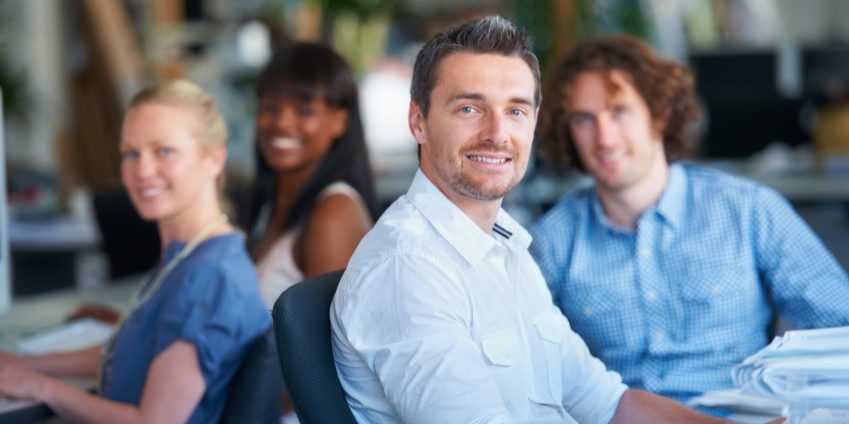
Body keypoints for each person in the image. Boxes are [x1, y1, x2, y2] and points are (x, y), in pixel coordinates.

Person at [330, 16, 740, 423]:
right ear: (418, 121)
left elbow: (607, 404)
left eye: (516, 111)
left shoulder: (505, 248)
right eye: (470, 108)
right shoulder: (410, 268)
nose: (497, 133)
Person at [530, 34, 849, 403]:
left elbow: (840, 326)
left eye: (619, 112)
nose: (604, 137)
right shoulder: (551, 241)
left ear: (660, 114)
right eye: (584, 119)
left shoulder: (749, 210)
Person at [0, 79, 271, 423]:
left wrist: (42, 387)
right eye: (131, 153)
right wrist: (27, 365)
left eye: (164, 151)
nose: (142, 171)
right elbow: (134, 352)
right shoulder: (186, 255)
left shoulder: (208, 277)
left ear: (214, 158)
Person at [243, 42, 377, 309]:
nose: (282, 123)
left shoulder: (333, 212)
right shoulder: (271, 201)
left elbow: (326, 346)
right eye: (270, 107)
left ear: (340, 120)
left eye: (304, 111)